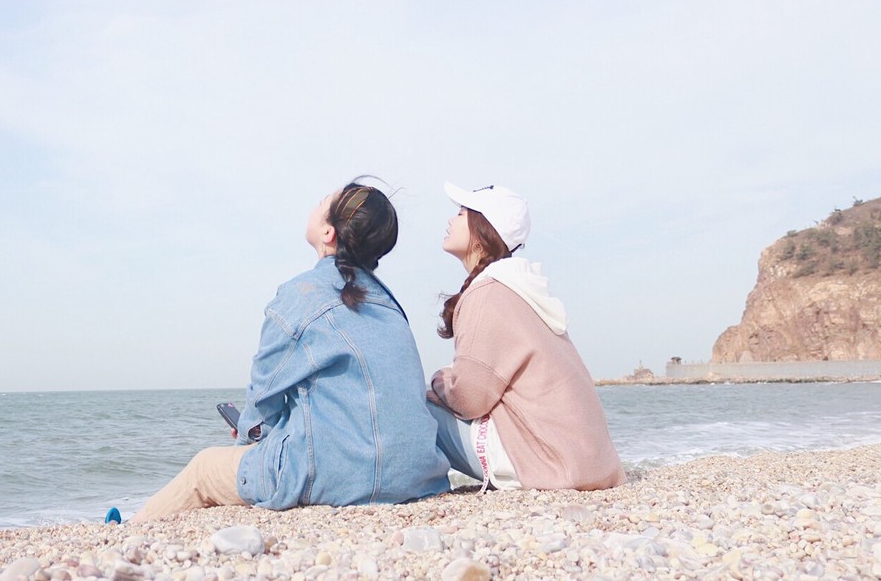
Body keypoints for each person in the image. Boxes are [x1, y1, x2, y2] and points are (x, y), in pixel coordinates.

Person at [129, 180, 451, 522]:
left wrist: (250, 442)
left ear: (328, 232)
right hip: (415, 476)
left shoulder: (301, 294)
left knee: (204, 468)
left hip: (339, 479)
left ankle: (124, 531)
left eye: (322, 201)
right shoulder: (390, 305)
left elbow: (263, 396)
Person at [426, 182, 624, 492]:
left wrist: (440, 380)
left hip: (549, 466)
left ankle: (421, 487)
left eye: (461, 213)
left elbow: (470, 399)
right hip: (592, 464)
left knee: (418, 410)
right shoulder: (522, 288)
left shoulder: (487, 292)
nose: (451, 220)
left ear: (483, 229)